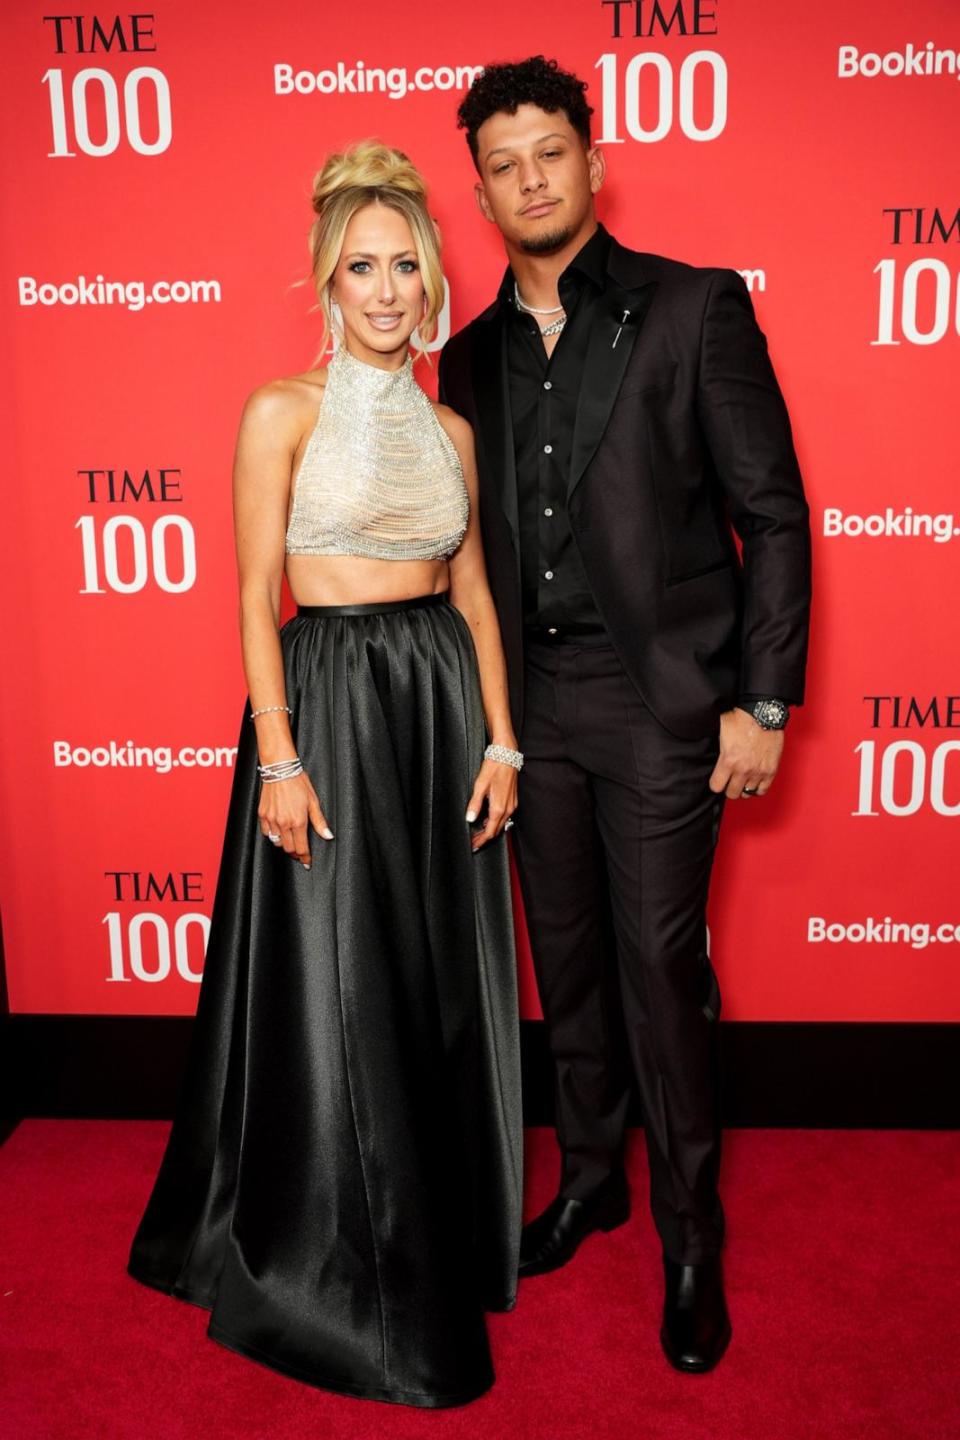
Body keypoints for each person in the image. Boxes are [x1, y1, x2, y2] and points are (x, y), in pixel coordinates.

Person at [127, 141, 524, 1409]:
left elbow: (473, 594)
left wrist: (504, 740)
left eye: (408, 264)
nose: (390, 289)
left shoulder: (455, 427)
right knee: (337, 976)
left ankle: (443, 1227)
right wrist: (278, 753)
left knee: (430, 978)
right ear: (326, 279)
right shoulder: (278, 411)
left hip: (438, 704)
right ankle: (344, 1268)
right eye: (364, 267)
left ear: (431, 277)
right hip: (332, 705)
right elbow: (253, 595)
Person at [439, 56, 812, 1374]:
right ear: (479, 190)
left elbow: (770, 513)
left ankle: (690, 1234)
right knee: (569, 959)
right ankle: (591, 1178)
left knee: (661, 969)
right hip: (528, 708)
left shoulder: (692, 309)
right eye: (504, 162)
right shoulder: (466, 358)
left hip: (662, 707)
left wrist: (764, 696)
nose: (530, 177)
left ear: (593, 160)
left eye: (551, 150)